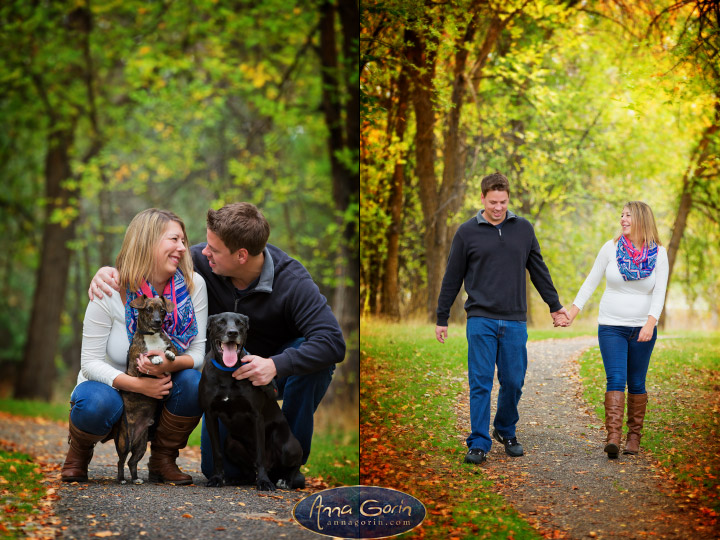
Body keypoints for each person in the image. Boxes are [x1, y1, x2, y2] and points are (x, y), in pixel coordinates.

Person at [89, 202, 345, 482]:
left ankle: (288, 465)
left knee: (316, 363)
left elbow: (332, 341)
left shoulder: (292, 282)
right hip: (227, 378)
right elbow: (148, 263)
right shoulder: (201, 260)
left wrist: (274, 365)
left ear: (242, 255)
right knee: (221, 473)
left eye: (214, 249)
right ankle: (248, 465)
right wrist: (108, 271)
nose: (201, 251)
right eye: (205, 244)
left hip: (274, 372)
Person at [62, 209, 208, 484]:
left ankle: (162, 459)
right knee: (94, 402)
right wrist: (138, 384)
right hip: (111, 392)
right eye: (174, 239)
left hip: (163, 391)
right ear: (147, 242)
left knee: (193, 382)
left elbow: (197, 354)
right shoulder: (109, 287)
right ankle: (78, 453)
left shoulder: (193, 285)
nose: (182, 247)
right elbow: (90, 363)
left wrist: (171, 364)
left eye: (183, 240)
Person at [435, 172, 569, 465]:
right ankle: (479, 442)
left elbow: (539, 270)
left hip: (514, 320)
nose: (498, 207)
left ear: (509, 199)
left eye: (503, 202)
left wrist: (555, 305)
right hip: (480, 318)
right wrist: (441, 316)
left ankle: (505, 429)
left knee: (514, 381)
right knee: (480, 382)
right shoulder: (466, 232)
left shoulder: (523, 229)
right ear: (482, 198)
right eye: (493, 202)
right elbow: (452, 277)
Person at [565, 201, 668, 458]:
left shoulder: (659, 254)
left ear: (642, 220)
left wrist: (650, 323)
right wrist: (572, 312)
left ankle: (634, 437)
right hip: (611, 326)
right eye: (621, 215)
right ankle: (613, 437)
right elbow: (591, 282)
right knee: (615, 379)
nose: (623, 220)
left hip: (642, 329)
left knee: (636, 382)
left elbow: (660, 292)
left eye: (628, 216)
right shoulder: (610, 249)